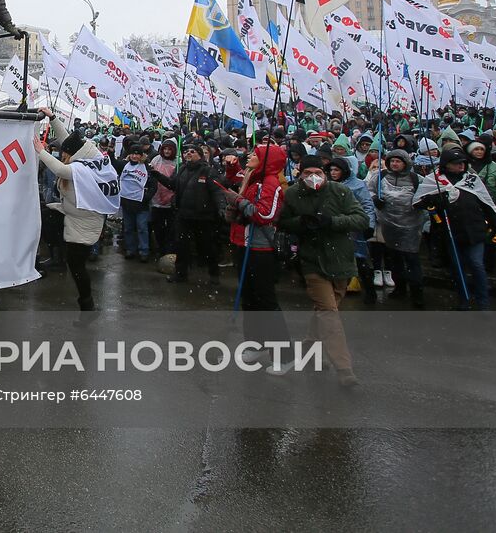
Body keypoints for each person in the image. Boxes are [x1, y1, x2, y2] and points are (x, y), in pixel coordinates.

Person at [278, 156, 370, 386]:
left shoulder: (340, 192)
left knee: (326, 311)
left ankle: (309, 350)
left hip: (340, 259)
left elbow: (361, 219)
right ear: (300, 173)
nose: (312, 177)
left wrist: (331, 221)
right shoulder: (292, 194)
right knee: (330, 314)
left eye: (316, 171)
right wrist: (303, 222)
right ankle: (344, 368)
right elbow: (283, 222)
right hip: (312, 260)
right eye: (307, 172)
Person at [34, 110, 104, 310]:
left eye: (63, 153)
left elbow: (60, 170)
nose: (61, 154)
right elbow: (68, 141)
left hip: (84, 224)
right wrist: (52, 117)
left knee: (76, 266)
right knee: (46, 218)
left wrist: (41, 151)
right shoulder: (88, 155)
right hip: (74, 215)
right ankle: (85, 301)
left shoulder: (80, 168)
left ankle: (87, 305)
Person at [229, 143, 291, 369]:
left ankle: (284, 355)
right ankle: (256, 344)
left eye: (256, 154)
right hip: (242, 243)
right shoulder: (252, 177)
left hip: (260, 250)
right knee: (250, 299)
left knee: (265, 302)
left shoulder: (271, 183)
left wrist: (238, 201)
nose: (250, 156)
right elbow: (237, 183)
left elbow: (265, 214)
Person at [418, 148, 496, 311]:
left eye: (463, 163)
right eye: (456, 163)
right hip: (451, 232)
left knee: (477, 264)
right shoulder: (434, 180)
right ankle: (464, 300)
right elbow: (419, 202)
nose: (461, 166)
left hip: (474, 230)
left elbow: (487, 204)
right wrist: (435, 200)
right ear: (447, 165)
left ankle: (483, 302)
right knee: (457, 267)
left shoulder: (472, 180)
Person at [150, 141, 226, 284]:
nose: (188, 153)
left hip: (203, 217)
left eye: (192, 151)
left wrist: (221, 207)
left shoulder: (208, 171)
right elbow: (172, 185)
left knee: (207, 246)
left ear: (200, 155)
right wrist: (158, 175)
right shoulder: (182, 170)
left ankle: (214, 274)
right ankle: (180, 274)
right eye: (186, 152)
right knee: (181, 246)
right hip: (183, 215)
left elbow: (217, 192)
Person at [365, 149, 430, 308]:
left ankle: (417, 294)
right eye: (392, 161)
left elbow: (427, 194)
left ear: (405, 163)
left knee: (412, 260)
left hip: (411, 226)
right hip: (388, 225)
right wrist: (375, 199)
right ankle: (400, 288)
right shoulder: (380, 176)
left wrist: (422, 203)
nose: (394, 164)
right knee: (395, 259)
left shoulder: (416, 179)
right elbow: (369, 190)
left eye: (398, 161)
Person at [327, 156, 378, 303]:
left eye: (336, 170)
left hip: (354, 228)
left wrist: (370, 225)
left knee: (360, 260)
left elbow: (367, 205)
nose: (333, 173)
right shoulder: (328, 184)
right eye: (331, 170)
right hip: (335, 227)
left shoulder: (358, 185)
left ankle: (370, 291)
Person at [116, 145, 152, 262]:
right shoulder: (124, 165)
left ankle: (144, 251)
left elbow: (153, 185)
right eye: (133, 154)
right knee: (128, 228)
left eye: (137, 154)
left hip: (141, 204)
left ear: (141, 156)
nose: (135, 156)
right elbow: (113, 164)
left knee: (142, 228)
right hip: (127, 202)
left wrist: (146, 197)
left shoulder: (147, 167)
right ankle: (130, 249)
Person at [147, 139, 178, 257]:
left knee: (171, 228)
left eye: (170, 149)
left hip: (171, 201)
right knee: (158, 227)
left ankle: (169, 250)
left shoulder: (178, 162)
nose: (167, 151)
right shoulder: (156, 160)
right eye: (165, 149)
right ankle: (161, 248)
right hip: (157, 199)